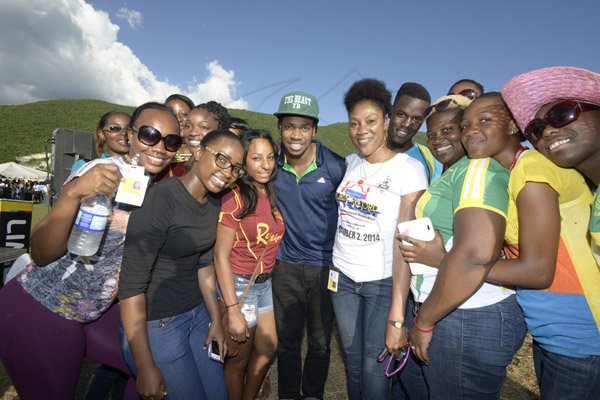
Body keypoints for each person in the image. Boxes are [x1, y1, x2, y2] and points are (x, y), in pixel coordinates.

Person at [0, 101, 181, 400]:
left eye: (171, 141)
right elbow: (42, 253)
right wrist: (73, 193)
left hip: (91, 312)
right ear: (132, 136)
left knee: (155, 368)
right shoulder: (102, 172)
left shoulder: (152, 188)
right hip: (40, 308)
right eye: (150, 135)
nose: (160, 146)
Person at [397, 94, 527, 400]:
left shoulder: (476, 170)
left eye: (449, 130)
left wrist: (424, 321)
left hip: (469, 314)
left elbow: (473, 255)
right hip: (455, 308)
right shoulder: (457, 172)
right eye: (431, 135)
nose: (438, 140)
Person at [118, 129, 244, 400]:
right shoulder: (161, 199)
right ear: (198, 152)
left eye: (236, 168)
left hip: (196, 313)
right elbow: (130, 288)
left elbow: (203, 264)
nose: (228, 172)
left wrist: (215, 319)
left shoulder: (212, 201)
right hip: (157, 324)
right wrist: (144, 365)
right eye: (222, 159)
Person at [500, 67, 600, 398]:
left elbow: (538, 269)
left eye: (562, 113)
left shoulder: (531, 170)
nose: (547, 132)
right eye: (537, 128)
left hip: (579, 346)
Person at [332, 79, 426, 400]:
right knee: (354, 366)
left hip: (382, 284)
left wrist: (398, 316)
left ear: (386, 121)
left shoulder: (409, 170)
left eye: (370, 121)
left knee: (374, 375)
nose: (362, 130)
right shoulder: (350, 163)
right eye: (354, 123)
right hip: (342, 280)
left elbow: (406, 243)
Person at [272, 91, 346, 400]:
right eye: (289, 126)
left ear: (314, 130)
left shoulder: (336, 166)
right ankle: (288, 394)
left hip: (324, 266)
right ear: (281, 129)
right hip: (285, 265)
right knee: (287, 341)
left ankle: (312, 393)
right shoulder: (270, 164)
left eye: (304, 127)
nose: (296, 134)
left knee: (319, 341)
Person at [214, 129, 284, 400]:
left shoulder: (271, 194)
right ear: (244, 162)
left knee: (267, 349)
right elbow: (220, 254)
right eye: (256, 158)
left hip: (264, 284)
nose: (265, 164)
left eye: (270, 157)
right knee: (238, 361)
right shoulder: (235, 197)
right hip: (240, 286)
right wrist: (232, 310)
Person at [387, 82, 442, 184]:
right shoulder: (368, 150)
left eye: (416, 119)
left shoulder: (432, 162)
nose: (407, 124)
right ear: (390, 111)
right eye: (401, 114)